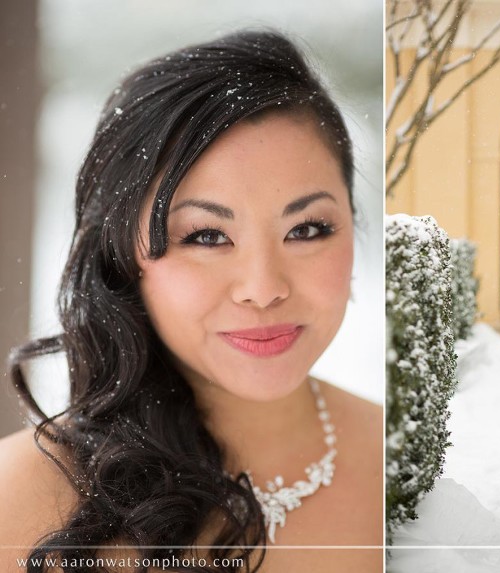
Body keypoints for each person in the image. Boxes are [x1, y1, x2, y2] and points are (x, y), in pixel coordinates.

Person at [0, 31, 382, 572]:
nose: (263, 286)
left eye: (307, 229)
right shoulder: (22, 502)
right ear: (120, 258)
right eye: (205, 236)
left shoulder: (405, 466)